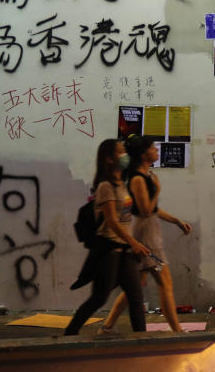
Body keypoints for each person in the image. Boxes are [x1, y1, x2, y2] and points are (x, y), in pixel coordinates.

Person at [98, 136, 192, 333]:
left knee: (137, 284)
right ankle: (177, 330)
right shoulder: (138, 179)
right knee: (165, 283)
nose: (157, 151)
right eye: (153, 148)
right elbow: (146, 209)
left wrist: (176, 221)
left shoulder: (146, 176)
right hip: (146, 237)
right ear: (143, 154)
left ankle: (107, 326)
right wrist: (157, 190)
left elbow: (154, 209)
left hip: (148, 232)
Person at [65, 139, 150, 335]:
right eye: (120, 152)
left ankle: (143, 341)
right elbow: (111, 221)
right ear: (109, 159)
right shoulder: (105, 186)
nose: (124, 155)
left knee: (136, 296)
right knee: (99, 298)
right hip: (109, 250)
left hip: (125, 249)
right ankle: (70, 334)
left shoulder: (122, 184)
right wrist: (134, 242)